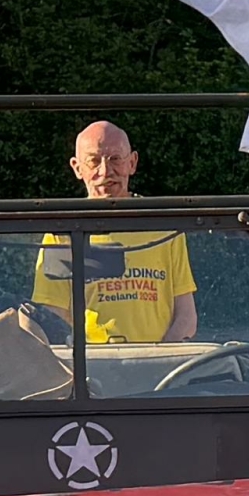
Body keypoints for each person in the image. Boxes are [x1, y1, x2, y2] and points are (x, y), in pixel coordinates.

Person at [32, 120, 200, 342]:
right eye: (93, 161)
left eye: (115, 159)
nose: (105, 172)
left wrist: (161, 360)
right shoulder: (62, 234)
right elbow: (53, 315)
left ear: (132, 163)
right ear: (77, 168)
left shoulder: (164, 226)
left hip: (161, 370)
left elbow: (186, 316)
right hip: (92, 369)